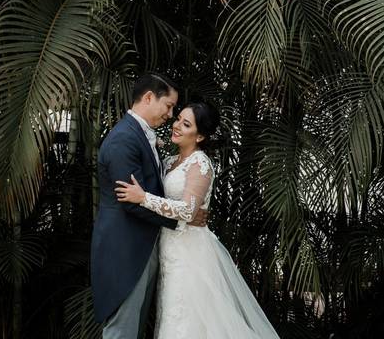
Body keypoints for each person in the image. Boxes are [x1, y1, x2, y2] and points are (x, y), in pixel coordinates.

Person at [115, 101, 280, 339]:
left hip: (189, 252)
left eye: (186, 124)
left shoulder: (200, 164)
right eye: (178, 119)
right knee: (171, 311)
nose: (177, 126)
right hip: (169, 248)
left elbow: (188, 211)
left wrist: (143, 198)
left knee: (186, 316)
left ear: (200, 135)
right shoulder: (171, 162)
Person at [91, 73, 209, 339]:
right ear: (148, 98)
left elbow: (148, 193)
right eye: (169, 106)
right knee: (122, 331)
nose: (171, 115)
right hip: (125, 251)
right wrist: (183, 219)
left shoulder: (143, 136)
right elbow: (130, 201)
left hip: (144, 248)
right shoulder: (124, 139)